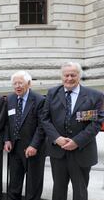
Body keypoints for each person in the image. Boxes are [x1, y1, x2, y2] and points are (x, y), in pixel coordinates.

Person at [41, 62, 104, 200]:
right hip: (58, 152)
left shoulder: (95, 96)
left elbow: (96, 123)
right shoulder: (52, 93)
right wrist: (57, 138)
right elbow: (45, 119)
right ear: (61, 77)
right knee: (58, 191)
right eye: (66, 75)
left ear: (79, 76)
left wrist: (76, 141)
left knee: (80, 192)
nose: (69, 78)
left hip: (82, 152)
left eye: (73, 75)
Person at [4, 71, 46, 200]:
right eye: (15, 83)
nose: (17, 86)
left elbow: (42, 126)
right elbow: (6, 122)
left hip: (33, 148)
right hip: (15, 148)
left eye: (20, 83)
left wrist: (34, 145)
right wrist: (7, 140)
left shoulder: (40, 100)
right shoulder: (10, 99)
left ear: (28, 83)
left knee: (33, 184)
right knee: (14, 182)